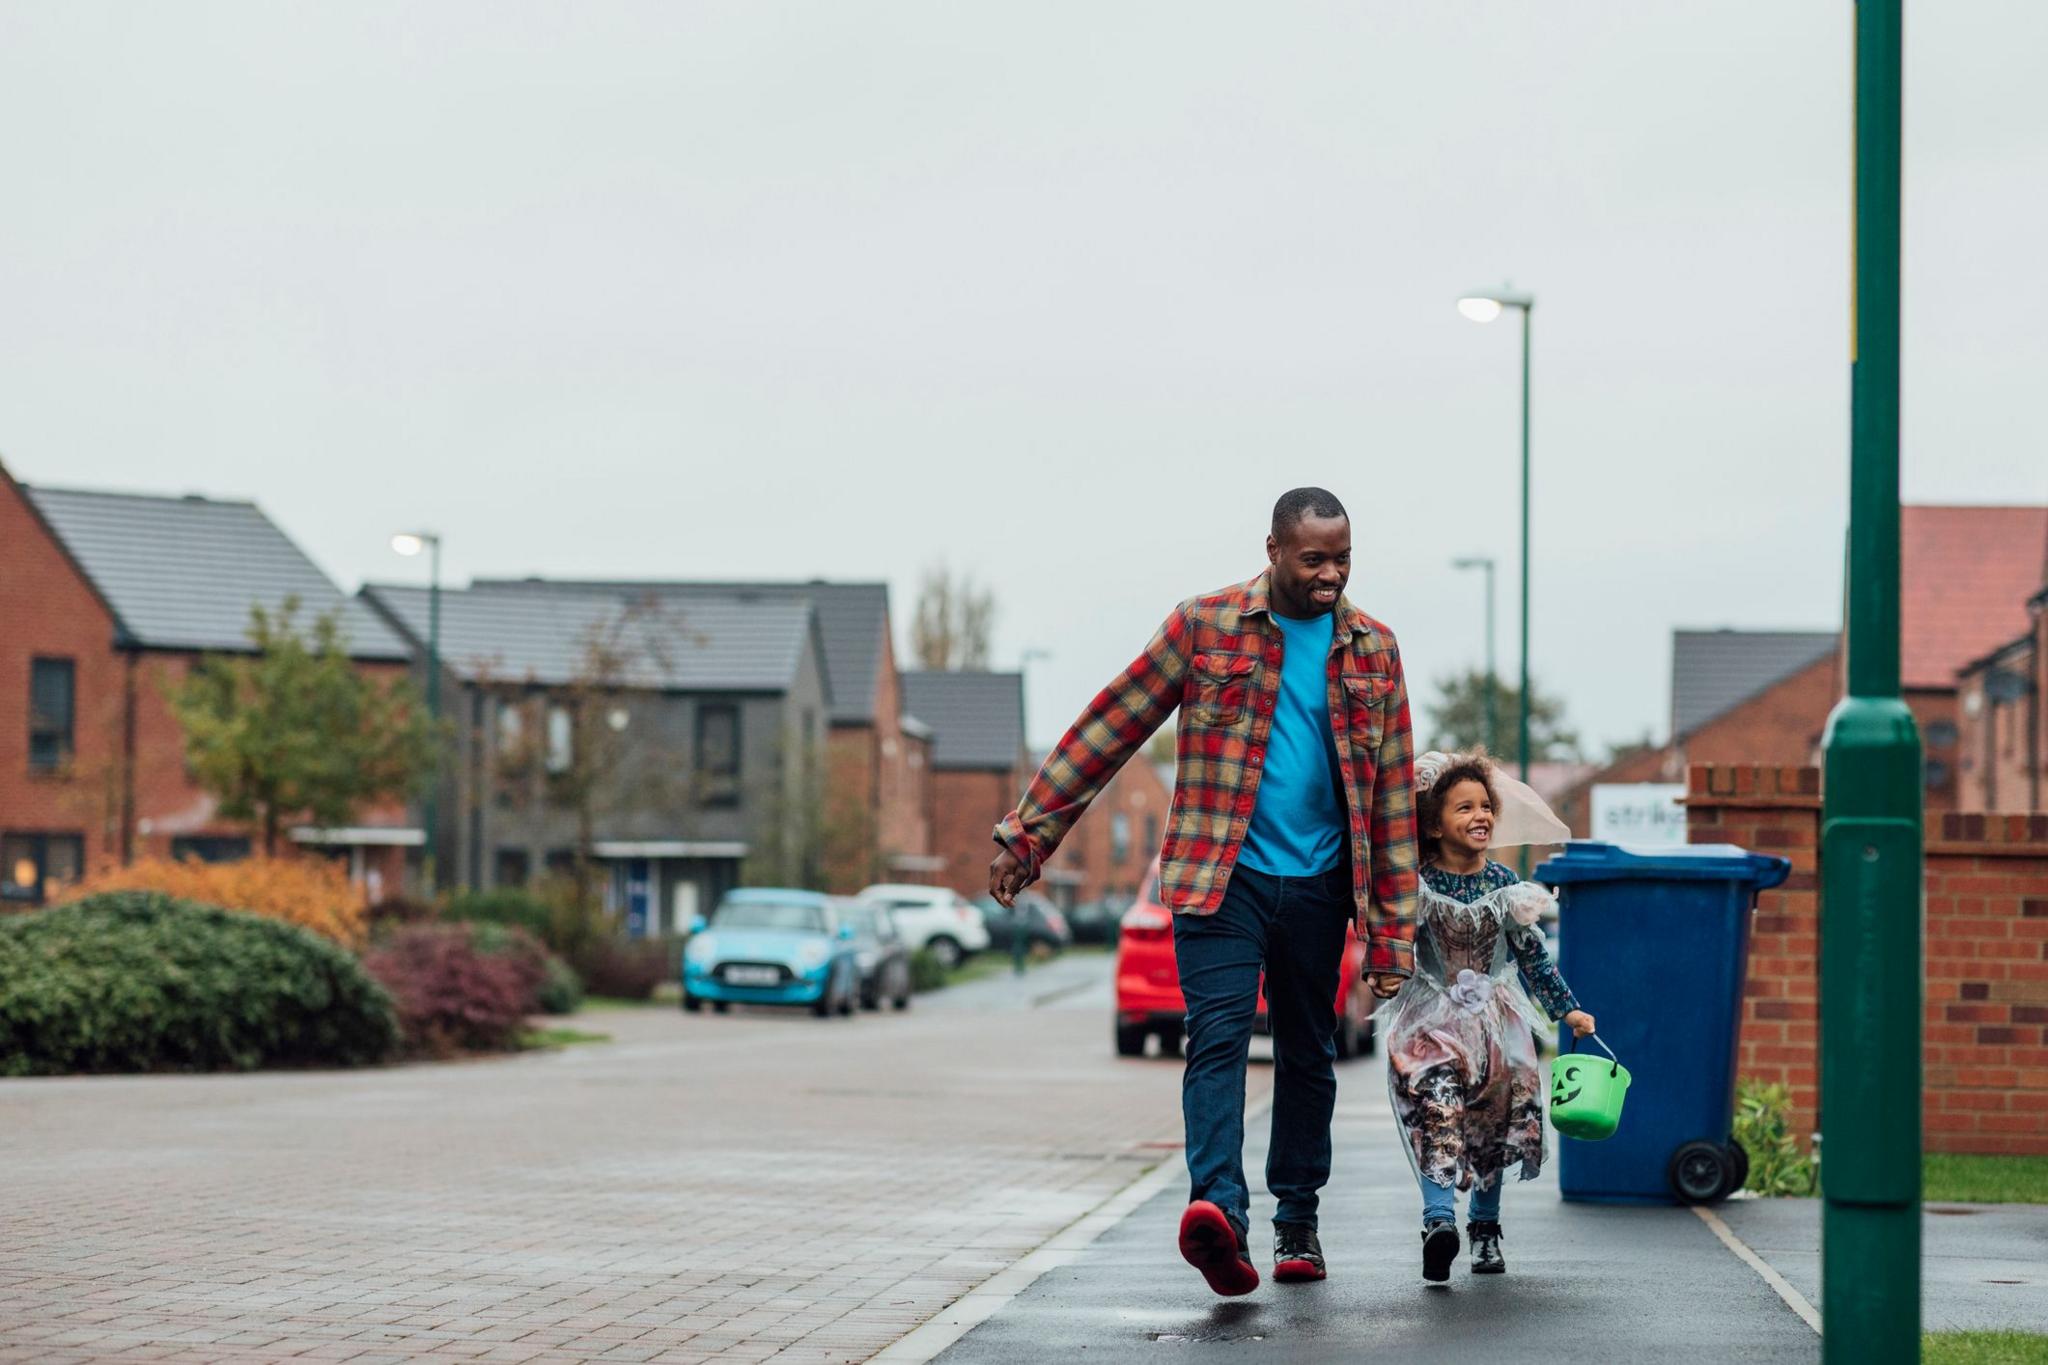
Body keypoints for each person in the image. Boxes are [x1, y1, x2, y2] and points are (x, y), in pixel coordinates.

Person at [987, 486, 1418, 1297]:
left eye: (1343, 558)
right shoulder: (1205, 625)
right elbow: (1113, 723)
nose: (1330, 575)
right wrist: (1030, 832)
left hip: (1323, 885)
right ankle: (1218, 1210)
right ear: (1273, 550)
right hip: (1222, 877)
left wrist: (1393, 934)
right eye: (1314, 558)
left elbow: (1393, 796)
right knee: (1215, 1038)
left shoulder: (1375, 650)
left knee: (1306, 1050)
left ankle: (1298, 1221)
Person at [1377, 749, 1597, 1283]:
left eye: (1485, 807)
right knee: (1437, 1107)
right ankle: (1438, 1221)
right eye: (1463, 808)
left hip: (1498, 1023)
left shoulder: (1506, 884)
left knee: (1492, 1125)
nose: (1480, 817)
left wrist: (1566, 1008)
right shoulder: (1418, 884)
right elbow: (1394, 942)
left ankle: (1485, 1227)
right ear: (1433, 824)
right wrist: (1385, 970)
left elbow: (1532, 954)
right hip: (1431, 1021)